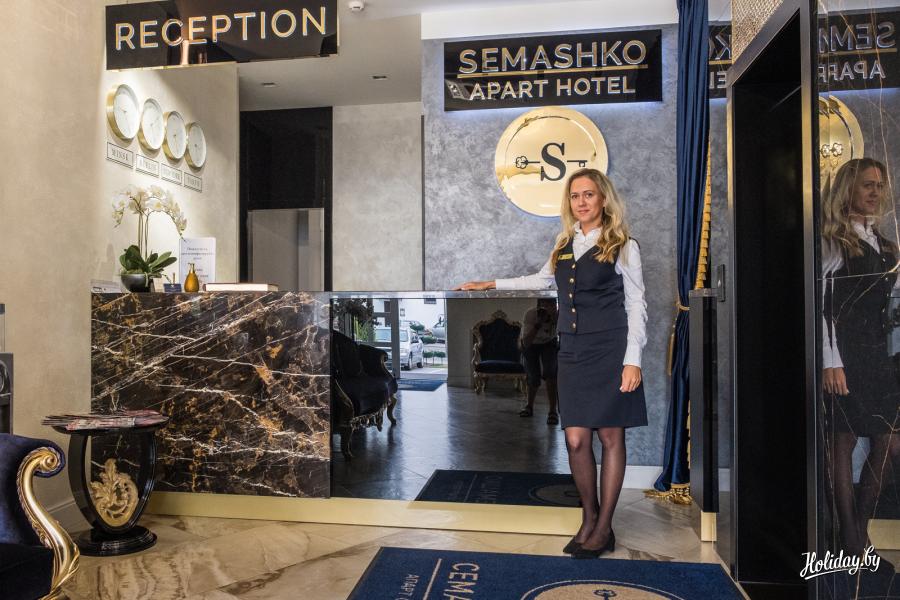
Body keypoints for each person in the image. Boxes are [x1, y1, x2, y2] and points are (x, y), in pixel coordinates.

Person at [456, 168, 648, 558]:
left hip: (611, 350)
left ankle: (604, 527)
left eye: (589, 194)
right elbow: (542, 280)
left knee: (610, 437)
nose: (581, 202)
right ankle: (589, 518)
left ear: (603, 199)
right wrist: (490, 283)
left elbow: (637, 305)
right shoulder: (563, 243)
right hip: (573, 350)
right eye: (575, 196)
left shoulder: (624, 245)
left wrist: (633, 360)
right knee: (576, 440)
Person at [822, 157, 900, 557]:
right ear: (848, 189)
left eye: (879, 185)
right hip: (845, 353)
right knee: (843, 442)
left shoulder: (886, 245)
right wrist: (830, 360)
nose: (875, 192)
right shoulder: (832, 241)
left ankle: (859, 528)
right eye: (868, 184)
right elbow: (823, 306)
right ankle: (851, 539)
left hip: (879, 353)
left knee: (889, 442)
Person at [519, 298, 560, 424]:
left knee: (551, 373)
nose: (549, 308)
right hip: (531, 343)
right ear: (538, 306)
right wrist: (538, 323)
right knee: (533, 376)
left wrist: (555, 319)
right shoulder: (530, 314)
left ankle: (552, 411)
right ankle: (529, 406)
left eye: (552, 304)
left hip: (549, 342)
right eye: (545, 304)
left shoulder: (558, 315)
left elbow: (563, 333)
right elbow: (526, 342)